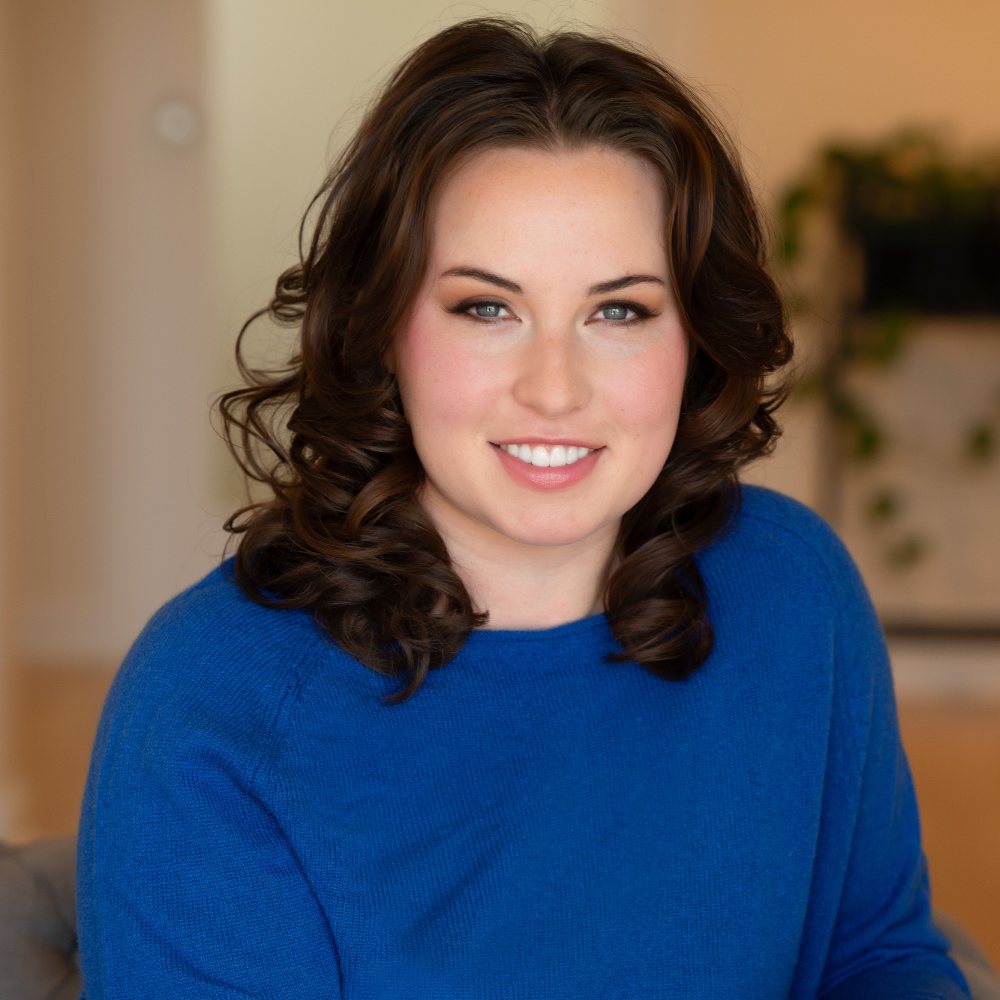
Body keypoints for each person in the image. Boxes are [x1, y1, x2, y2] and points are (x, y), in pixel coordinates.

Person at [76, 18, 970, 999]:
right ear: (384, 328)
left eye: (619, 310)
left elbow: (877, 957)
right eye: (485, 307)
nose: (555, 388)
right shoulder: (213, 708)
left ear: (696, 339)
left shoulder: (793, 589)